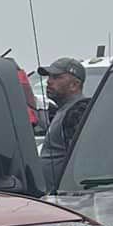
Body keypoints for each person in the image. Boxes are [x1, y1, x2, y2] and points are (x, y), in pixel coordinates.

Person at [38, 57, 92, 192]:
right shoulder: (64, 110)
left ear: (74, 85)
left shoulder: (78, 112)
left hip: (68, 198)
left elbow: (80, 161)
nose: (49, 82)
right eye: (49, 77)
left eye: (56, 77)